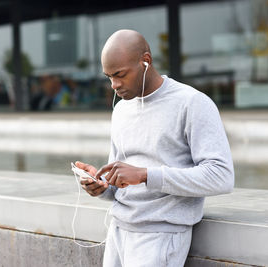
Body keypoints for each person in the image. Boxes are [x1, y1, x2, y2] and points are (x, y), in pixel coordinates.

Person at [75, 29, 234, 267]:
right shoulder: (121, 109)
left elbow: (221, 176)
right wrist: (101, 186)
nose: (114, 85)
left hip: (160, 237)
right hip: (118, 231)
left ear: (146, 61)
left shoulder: (192, 103)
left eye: (120, 75)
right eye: (108, 77)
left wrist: (146, 174)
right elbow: (121, 185)